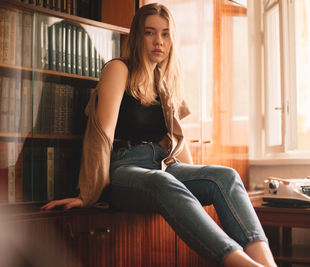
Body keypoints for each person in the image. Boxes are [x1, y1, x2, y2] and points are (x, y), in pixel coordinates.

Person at [41, 3, 277, 267]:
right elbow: (102, 134)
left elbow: (177, 138)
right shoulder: (119, 69)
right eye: (149, 32)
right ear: (137, 36)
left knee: (226, 177)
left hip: (164, 166)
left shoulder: (164, 80)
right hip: (124, 170)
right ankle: (242, 265)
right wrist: (88, 194)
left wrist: (199, 178)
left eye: (165, 34)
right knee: (163, 182)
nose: (158, 41)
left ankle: (267, 264)